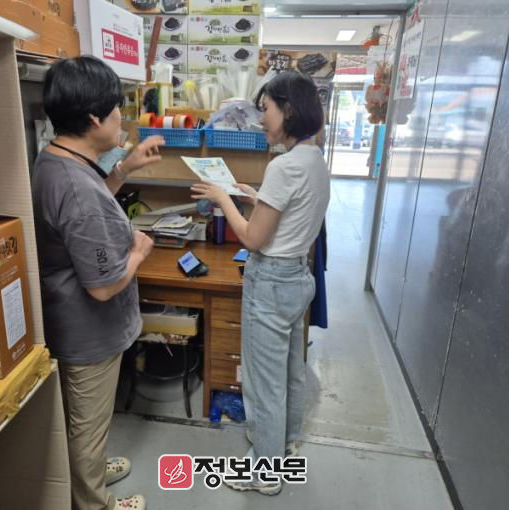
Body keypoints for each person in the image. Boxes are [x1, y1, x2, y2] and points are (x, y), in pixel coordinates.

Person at [32, 56, 164, 510]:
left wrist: (124, 169)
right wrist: (138, 253)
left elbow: (82, 211)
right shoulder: (78, 189)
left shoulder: (55, 160)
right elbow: (103, 287)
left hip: (69, 321)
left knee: (83, 423)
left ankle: (88, 471)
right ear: (94, 119)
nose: (121, 117)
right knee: (86, 428)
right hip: (87, 333)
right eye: (115, 110)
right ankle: (95, 502)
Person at [191, 70, 330, 496]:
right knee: (289, 372)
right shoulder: (314, 159)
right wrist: (256, 198)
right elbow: (293, 211)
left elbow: (253, 239)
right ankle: (283, 442)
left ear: (288, 109)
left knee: (262, 384)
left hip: (270, 282)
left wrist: (222, 199)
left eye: (266, 109)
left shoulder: (283, 166)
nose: (261, 119)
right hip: (297, 278)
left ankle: (265, 475)